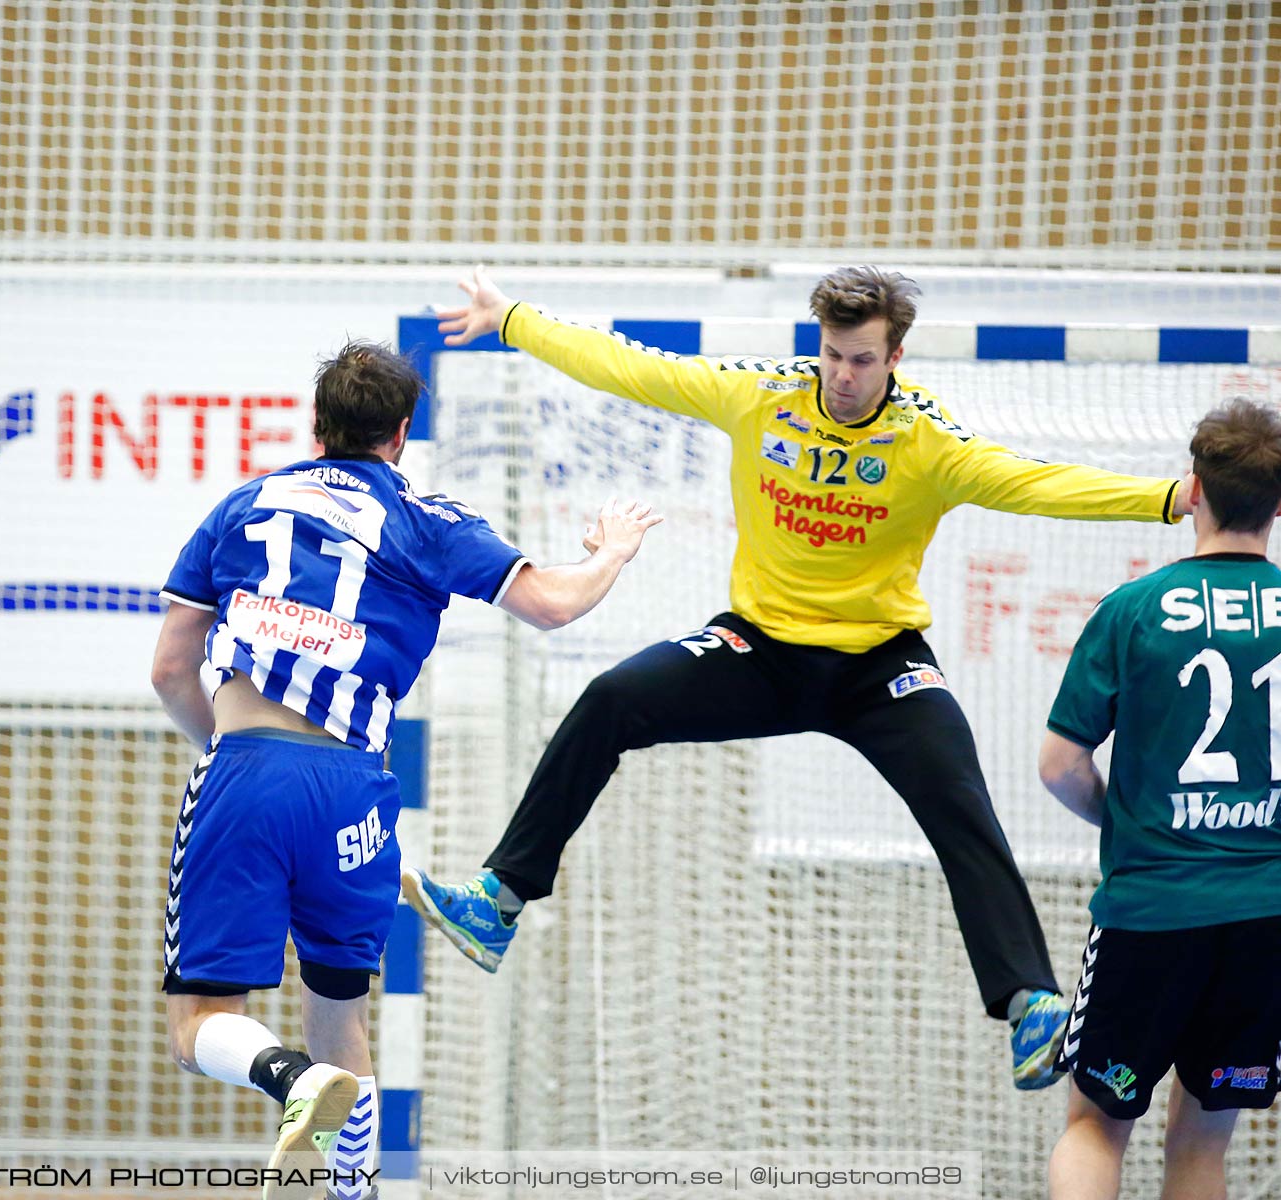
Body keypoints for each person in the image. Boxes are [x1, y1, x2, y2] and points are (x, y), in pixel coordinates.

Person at [407, 265, 1196, 1091]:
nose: (844, 377)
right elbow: (634, 366)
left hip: (878, 665)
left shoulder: (927, 441)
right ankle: (499, 901)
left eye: (861, 360)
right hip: (760, 651)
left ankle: (1030, 1002)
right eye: (832, 356)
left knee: (958, 797)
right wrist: (513, 320)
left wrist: (1167, 498)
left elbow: (1037, 483)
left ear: (896, 356)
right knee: (610, 700)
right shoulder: (764, 399)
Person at [151, 339, 663, 1200]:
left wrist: (228, 756)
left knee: (198, 1020)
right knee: (340, 1016)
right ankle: (359, 1189)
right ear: (400, 435)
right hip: (358, 794)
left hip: (246, 772)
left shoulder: (241, 506)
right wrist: (611, 550)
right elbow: (552, 604)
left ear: (317, 427)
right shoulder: (430, 521)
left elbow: (170, 668)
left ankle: (287, 1081)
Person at [1039, 398, 1281, 1199]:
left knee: (1093, 1128)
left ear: (1192, 490)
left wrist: (1126, 818)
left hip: (1151, 910)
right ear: (1279, 505)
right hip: (1263, 917)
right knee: (1201, 1148)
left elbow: (1059, 763)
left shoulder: (1134, 609)